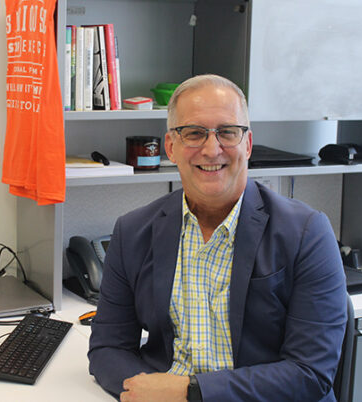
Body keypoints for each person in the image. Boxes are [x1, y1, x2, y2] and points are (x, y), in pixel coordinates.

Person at [88, 74, 347, 401]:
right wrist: (148, 391)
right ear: (171, 147)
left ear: (248, 144)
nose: (212, 150)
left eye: (227, 132)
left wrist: (190, 393)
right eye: (194, 133)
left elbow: (309, 373)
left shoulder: (308, 233)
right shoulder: (132, 232)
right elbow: (107, 347)